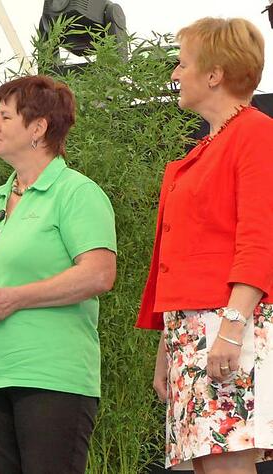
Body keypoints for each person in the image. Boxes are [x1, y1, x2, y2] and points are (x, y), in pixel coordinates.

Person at [0, 75, 117, 474]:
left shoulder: (77, 192)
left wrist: (17, 297)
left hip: (51, 377)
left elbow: (98, 275)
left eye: (4, 116)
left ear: (38, 128)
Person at [137, 17, 273, 472]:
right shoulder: (206, 149)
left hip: (228, 324)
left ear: (214, 74)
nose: (175, 74)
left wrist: (231, 329)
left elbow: (261, 239)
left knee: (224, 465)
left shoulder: (254, 134)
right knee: (204, 465)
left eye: (182, 63)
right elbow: (179, 267)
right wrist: (167, 347)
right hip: (194, 331)